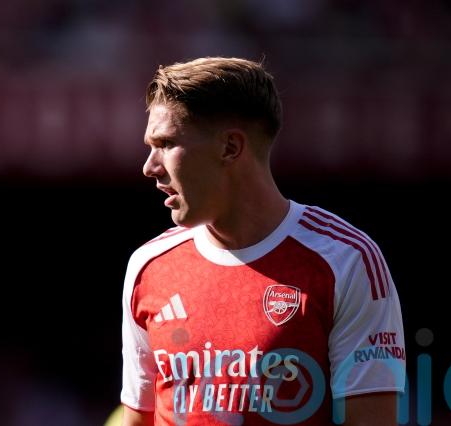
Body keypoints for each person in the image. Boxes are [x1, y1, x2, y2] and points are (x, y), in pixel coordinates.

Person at [120, 57, 405, 425]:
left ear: (230, 147)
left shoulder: (346, 260)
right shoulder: (149, 266)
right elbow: (138, 419)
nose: (149, 167)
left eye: (166, 143)